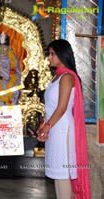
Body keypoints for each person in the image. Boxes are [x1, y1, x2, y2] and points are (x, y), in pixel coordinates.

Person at [37, 39, 90, 199]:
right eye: (49, 54)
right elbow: (51, 107)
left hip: (62, 129)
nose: (49, 58)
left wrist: (48, 127)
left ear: (62, 54)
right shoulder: (56, 78)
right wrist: (43, 125)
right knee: (57, 173)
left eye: (52, 54)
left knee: (63, 173)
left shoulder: (67, 77)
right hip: (54, 128)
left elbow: (62, 107)